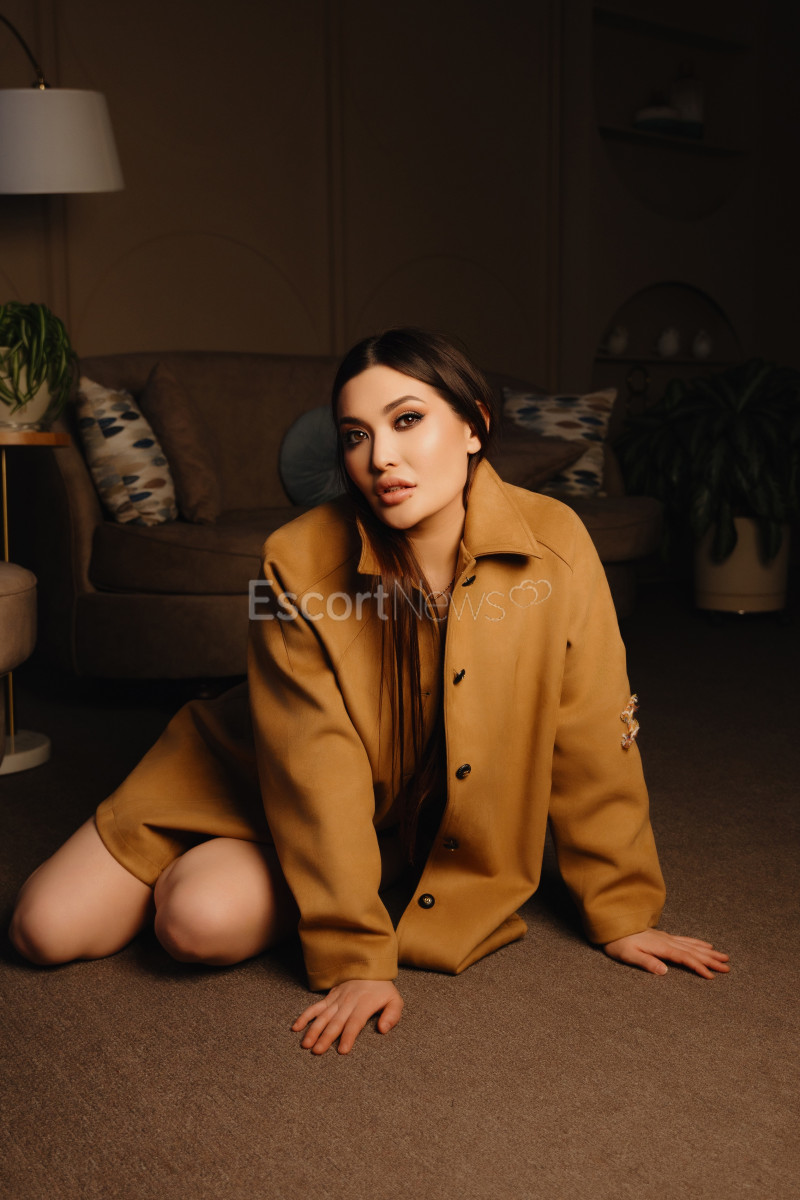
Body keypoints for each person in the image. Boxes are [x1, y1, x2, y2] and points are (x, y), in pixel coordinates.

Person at [9, 328, 729, 1054]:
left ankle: (233, 874)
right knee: (42, 930)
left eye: (407, 420)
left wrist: (622, 912)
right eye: (356, 434)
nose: (380, 456)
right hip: (242, 770)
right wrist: (357, 954)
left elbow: (593, 734)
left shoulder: (557, 545)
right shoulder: (295, 561)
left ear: (474, 426)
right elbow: (313, 766)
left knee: (197, 923)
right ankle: (212, 857)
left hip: (379, 813)